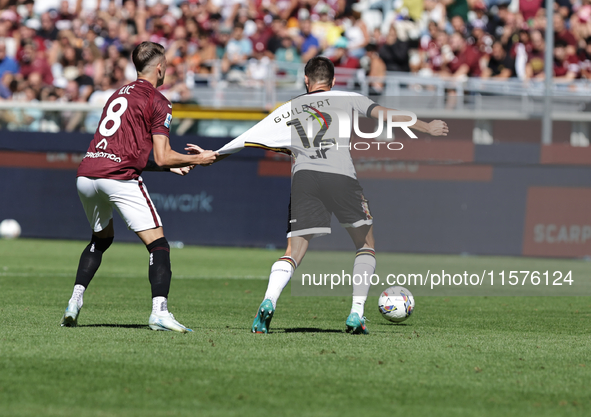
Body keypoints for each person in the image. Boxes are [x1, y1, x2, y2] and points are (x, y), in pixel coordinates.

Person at [193, 57, 448, 334]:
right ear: (334, 80)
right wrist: (426, 126)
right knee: (365, 245)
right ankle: (356, 314)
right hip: (340, 176)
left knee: (293, 252)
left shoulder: (289, 107)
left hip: (304, 178)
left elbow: (247, 137)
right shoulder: (349, 97)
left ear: (306, 80)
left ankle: (269, 300)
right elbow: (384, 114)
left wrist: (213, 155)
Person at [60, 41, 218, 332]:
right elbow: (161, 154)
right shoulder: (158, 100)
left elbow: (129, 152)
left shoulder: (116, 94)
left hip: (87, 174)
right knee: (158, 245)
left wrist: (169, 165)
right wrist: (200, 158)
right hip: (117, 178)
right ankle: (159, 311)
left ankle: (74, 301)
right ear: (160, 68)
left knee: (101, 239)